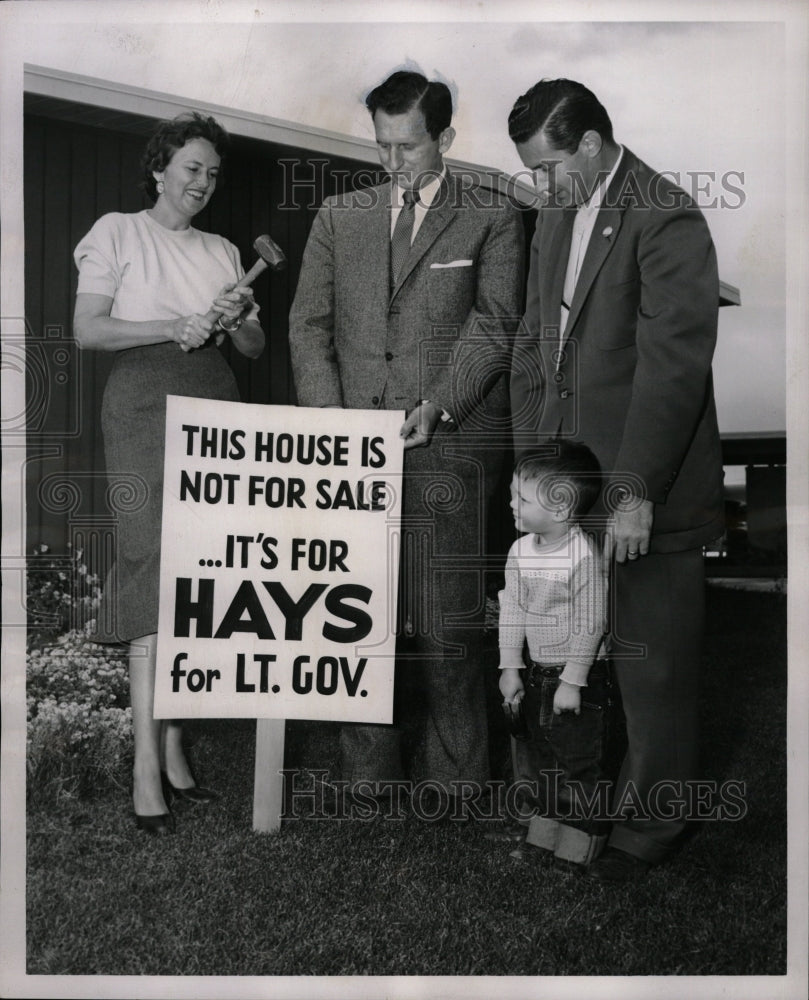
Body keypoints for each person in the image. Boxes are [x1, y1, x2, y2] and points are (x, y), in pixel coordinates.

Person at [508, 79, 724, 881]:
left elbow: (672, 371)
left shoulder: (665, 213)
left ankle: (654, 831)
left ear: (591, 146)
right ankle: (580, 811)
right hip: (570, 490)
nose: (540, 186)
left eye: (549, 167)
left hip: (643, 493)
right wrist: (537, 476)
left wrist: (632, 491)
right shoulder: (558, 215)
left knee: (651, 665)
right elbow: (536, 345)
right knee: (574, 658)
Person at [289, 70, 524, 806]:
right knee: (356, 614)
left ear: (445, 139)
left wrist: (439, 404)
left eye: (409, 147)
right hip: (352, 449)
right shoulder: (337, 215)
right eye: (382, 146)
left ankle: (455, 782)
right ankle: (367, 778)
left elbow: (494, 323)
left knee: (447, 617)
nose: (393, 163)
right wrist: (334, 424)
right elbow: (309, 326)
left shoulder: (493, 215)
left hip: (447, 447)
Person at [73, 112, 265, 835]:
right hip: (141, 401)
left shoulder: (222, 248)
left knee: (203, 572)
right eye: (191, 168)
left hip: (215, 395)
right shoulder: (116, 231)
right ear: (159, 168)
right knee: (151, 560)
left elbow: (248, 347)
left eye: (212, 173)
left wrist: (237, 316)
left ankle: (178, 740)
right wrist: (170, 325)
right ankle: (143, 764)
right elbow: (88, 329)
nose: (202, 183)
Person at [498, 442, 609, 868]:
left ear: (561, 508)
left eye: (521, 499)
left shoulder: (582, 556)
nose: (511, 504)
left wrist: (574, 679)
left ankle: (586, 835)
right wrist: (510, 666)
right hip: (539, 672)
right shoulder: (520, 551)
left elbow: (591, 623)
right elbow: (512, 609)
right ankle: (546, 827)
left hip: (577, 676)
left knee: (578, 760)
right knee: (542, 756)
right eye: (514, 494)